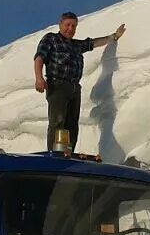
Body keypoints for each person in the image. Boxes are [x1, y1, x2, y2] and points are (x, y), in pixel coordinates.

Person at [33, 12, 126, 152]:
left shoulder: (76, 45)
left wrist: (114, 37)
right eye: (67, 25)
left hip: (74, 88)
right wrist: (39, 77)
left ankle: (67, 152)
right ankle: (54, 153)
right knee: (58, 121)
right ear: (60, 25)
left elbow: (93, 43)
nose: (70, 28)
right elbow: (39, 57)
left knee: (72, 124)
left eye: (74, 26)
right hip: (57, 85)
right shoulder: (51, 39)